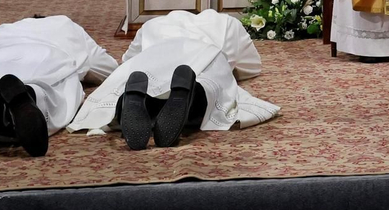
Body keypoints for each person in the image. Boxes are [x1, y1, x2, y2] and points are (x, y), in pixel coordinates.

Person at [69, 10, 279, 148]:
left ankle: (131, 100)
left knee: (136, 78)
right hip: (203, 52)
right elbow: (252, 67)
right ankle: (190, 93)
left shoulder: (153, 24)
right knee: (213, 86)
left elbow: (127, 60)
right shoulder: (227, 22)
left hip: (155, 53)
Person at [0, 15, 117, 158]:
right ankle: (31, 95)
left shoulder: (2, 30)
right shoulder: (68, 26)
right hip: (49, 56)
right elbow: (108, 69)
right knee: (56, 91)